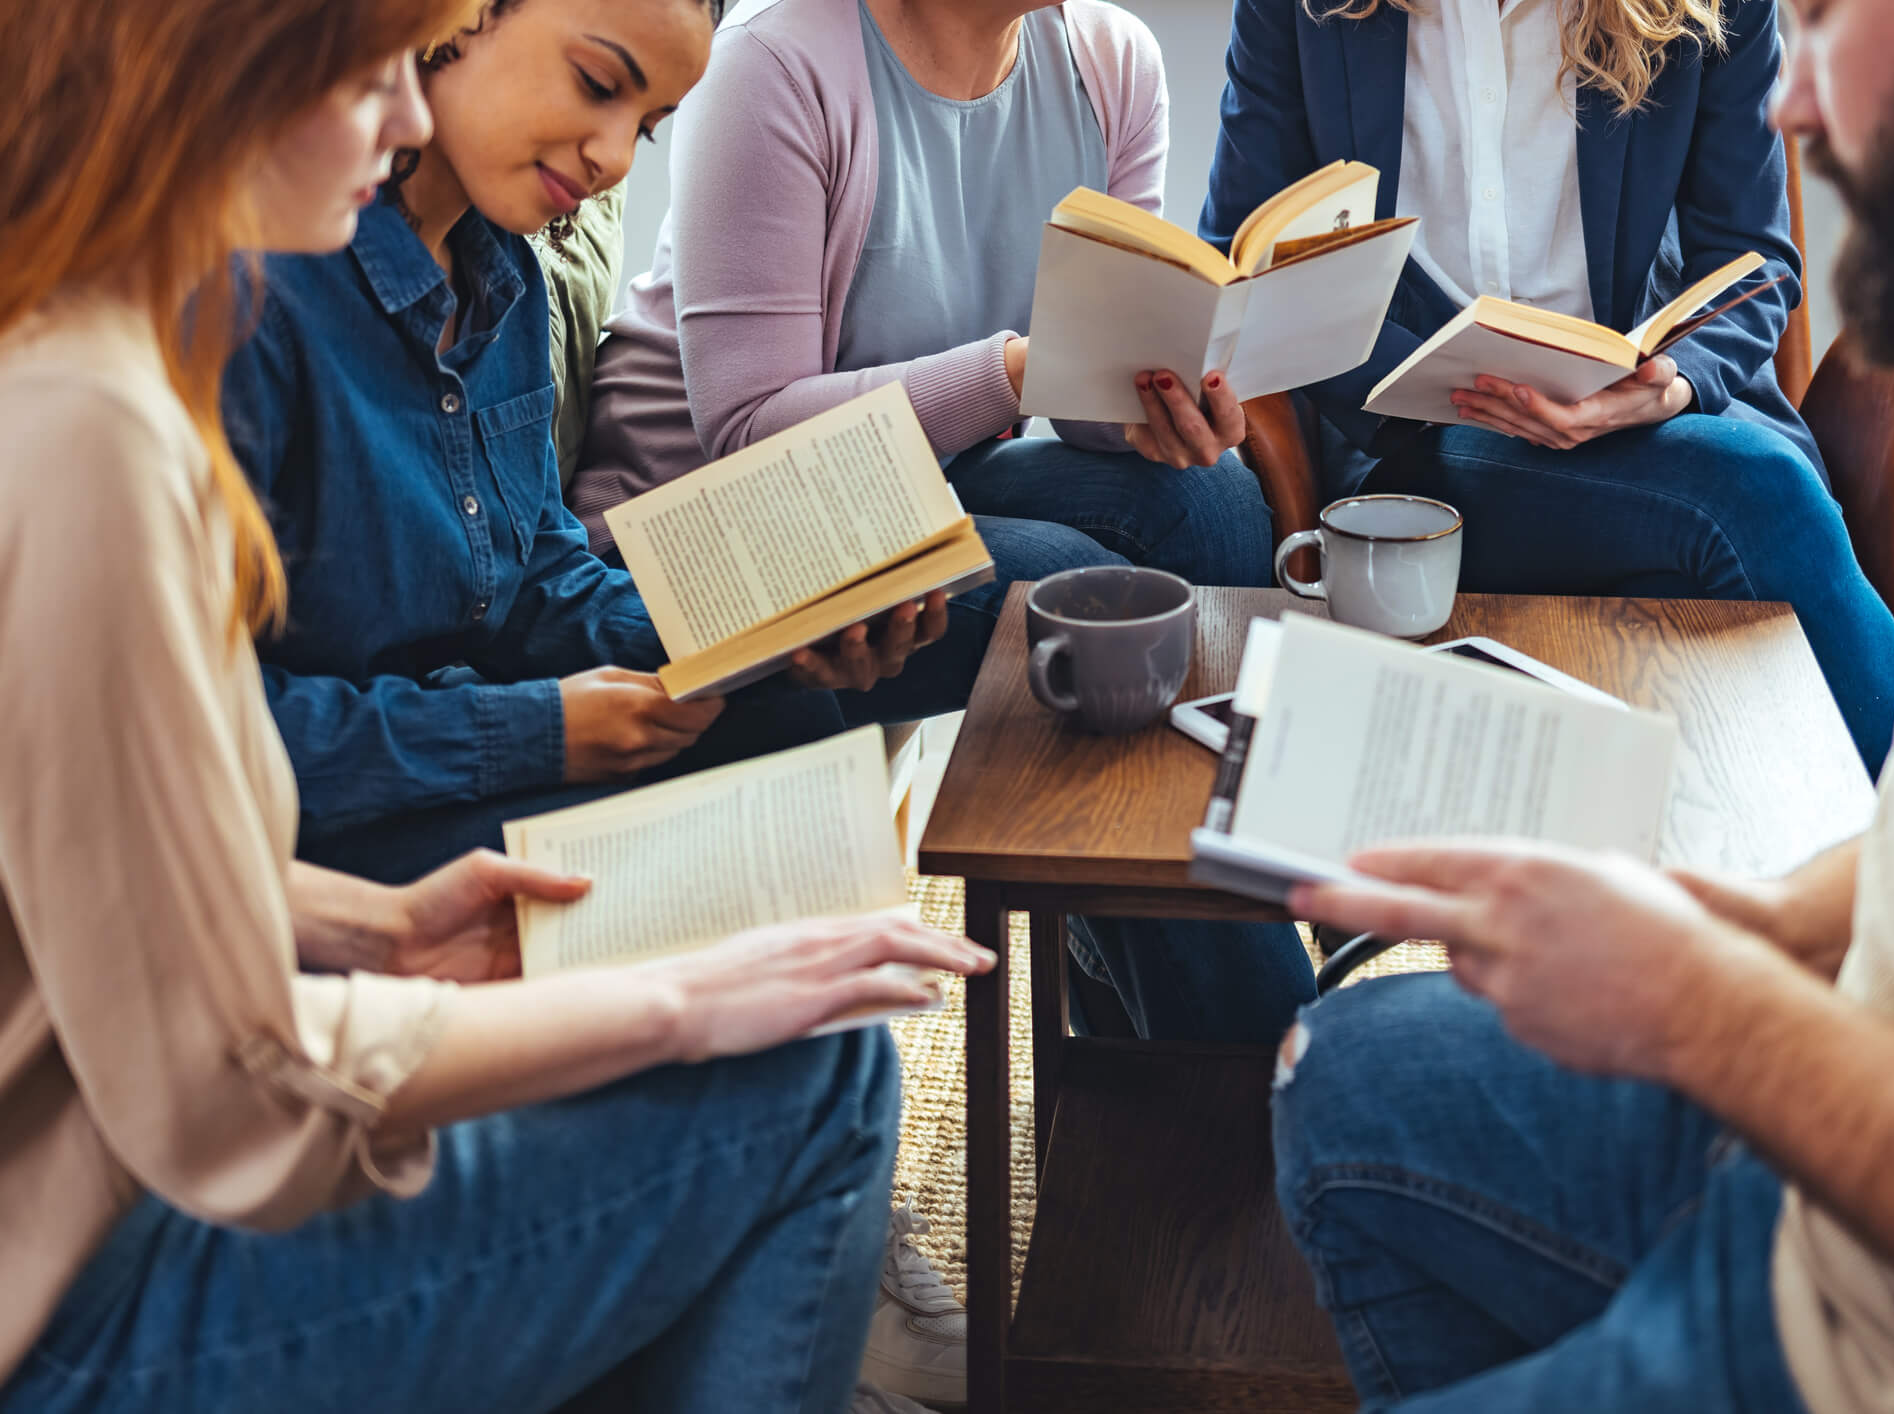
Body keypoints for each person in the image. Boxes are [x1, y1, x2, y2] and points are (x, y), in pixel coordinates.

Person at [0, 3, 993, 1411]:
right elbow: (236, 1088)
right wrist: (668, 1002)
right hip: (77, 1279)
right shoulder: (130, 398)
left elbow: (111, 836)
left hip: (143, 1110)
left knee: (819, 739)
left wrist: (757, 632)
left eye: (643, 125)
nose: (403, 115)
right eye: (374, 73)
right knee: (813, 1069)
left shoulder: (121, 345)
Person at [1265, 0, 1894, 1404]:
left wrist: (1701, 1004)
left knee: (1753, 487)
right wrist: (1779, 921)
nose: (1793, 108)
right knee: (1330, 1068)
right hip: (1818, 1168)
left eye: (1830, 20)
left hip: (1872, 1323)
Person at [570, 0, 1321, 1050]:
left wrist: (1155, 404)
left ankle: (1165, 954)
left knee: (1210, 499)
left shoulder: (1110, 62)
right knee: (1063, 588)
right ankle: (1258, 1044)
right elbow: (749, 432)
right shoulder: (775, 61)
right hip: (709, 533)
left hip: (925, 481)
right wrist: (1015, 367)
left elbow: (1088, 404)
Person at [220, 0, 959, 890]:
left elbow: (534, 582)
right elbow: (204, 728)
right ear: (462, 18)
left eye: (645, 129)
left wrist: (770, 636)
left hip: (470, 739)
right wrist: (542, 733)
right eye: (598, 84)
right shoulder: (261, 287)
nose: (611, 158)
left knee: (792, 730)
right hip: (323, 830)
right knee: (751, 873)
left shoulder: (510, 285)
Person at [1202, 0, 1894, 779]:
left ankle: (1849, 872)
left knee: (1717, 540)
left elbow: (1752, 260)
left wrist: (1669, 385)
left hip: (1649, 433)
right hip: (1416, 453)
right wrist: (1417, 381)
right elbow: (1243, 256)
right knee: (1758, 494)